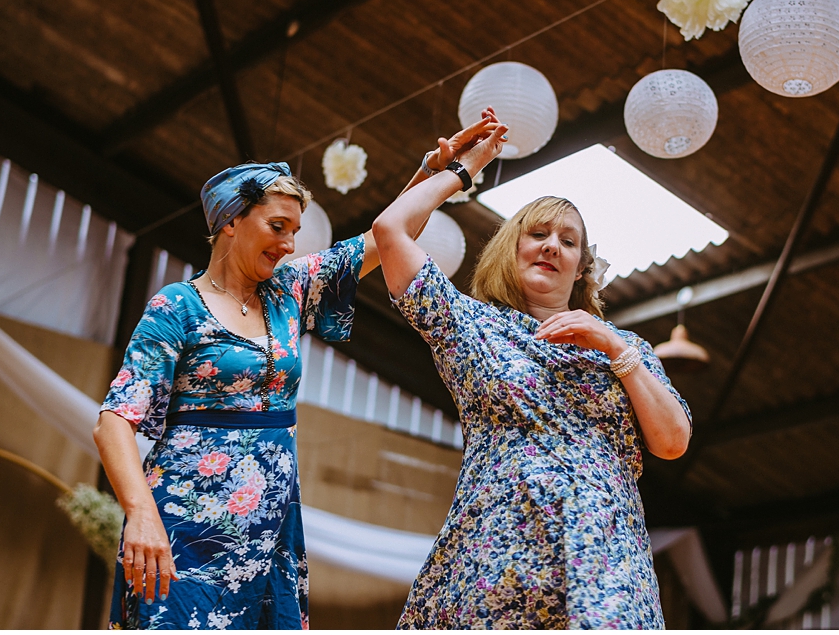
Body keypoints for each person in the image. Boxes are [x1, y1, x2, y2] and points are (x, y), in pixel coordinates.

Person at [93, 115, 499, 629]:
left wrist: (436, 172)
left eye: (295, 232)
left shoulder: (288, 291)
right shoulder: (176, 308)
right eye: (276, 227)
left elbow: (382, 239)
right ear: (230, 222)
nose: (289, 244)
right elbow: (114, 423)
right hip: (183, 521)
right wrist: (141, 514)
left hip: (270, 522)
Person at [372, 123, 693, 628]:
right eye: (538, 234)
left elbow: (672, 441)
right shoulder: (472, 325)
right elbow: (389, 232)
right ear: (511, 249)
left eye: (567, 241)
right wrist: (460, 171)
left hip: (605, 560)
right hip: (496, 549)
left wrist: (613, 346)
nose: (551, 247)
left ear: (582, 268)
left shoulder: (626, 349)